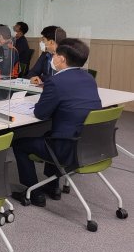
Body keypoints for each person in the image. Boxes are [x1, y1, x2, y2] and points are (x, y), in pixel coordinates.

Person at [12, 39, 102, 207]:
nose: (52, 57)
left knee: (19, 143)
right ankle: (53, 186)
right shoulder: (89, 78)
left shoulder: (56, 82)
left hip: (67, 147)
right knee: (48, 134)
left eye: (54, 55)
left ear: (62, 59)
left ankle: (34, 191)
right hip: (89, 144)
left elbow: (40, 113)